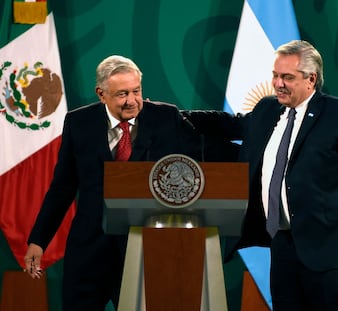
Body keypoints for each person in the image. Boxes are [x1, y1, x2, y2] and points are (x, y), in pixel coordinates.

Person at [186, 40, 338, 310]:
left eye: (287, 77)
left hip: (330, 251)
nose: (278, 83)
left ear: (311, 79)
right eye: (275, 75)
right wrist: (171, 115)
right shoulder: (268, 110)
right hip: (282, 247)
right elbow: (231, 125)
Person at [23, 55, 229, 310]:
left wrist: (257, 141)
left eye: (136, 91)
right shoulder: (79, 123)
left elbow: (207, 151)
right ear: (101, 94)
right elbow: (62, 187)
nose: (132, 101)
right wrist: (39, 240)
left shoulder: (165, 117)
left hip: (146, 249)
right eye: (122, 94)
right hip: (90, 250)